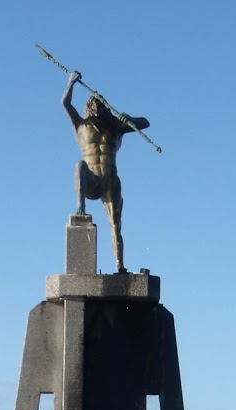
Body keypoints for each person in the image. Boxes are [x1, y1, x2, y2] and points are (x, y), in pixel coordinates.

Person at [63, 71, 150, 273]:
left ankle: (120, 265)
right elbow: (65, 103)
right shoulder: (81, 125)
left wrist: (131, 119)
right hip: (91, 180)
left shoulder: (116, 127)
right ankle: (80, 207)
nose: (97, 108)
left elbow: (145, 123)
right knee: (79, 165)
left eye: (100, 105)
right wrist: (71, 83)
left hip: (110, 180)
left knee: (115, 225)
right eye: (94, 105)